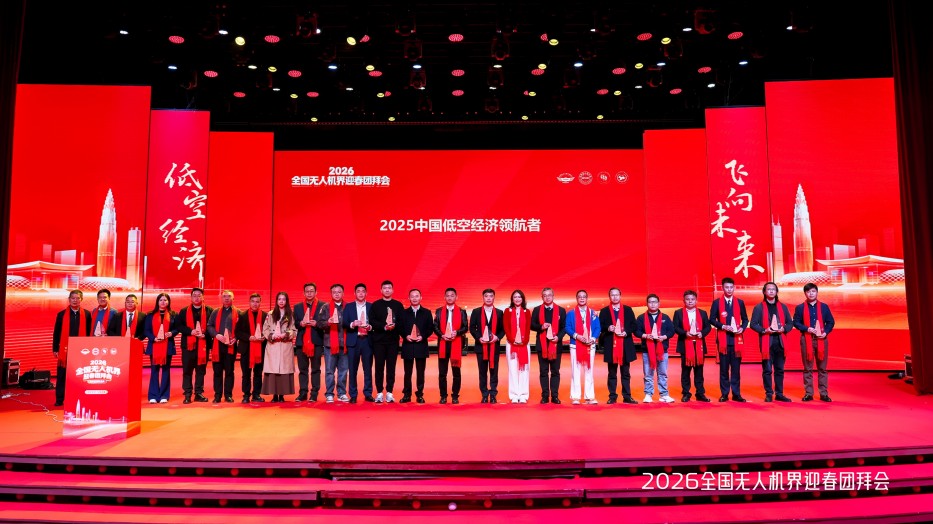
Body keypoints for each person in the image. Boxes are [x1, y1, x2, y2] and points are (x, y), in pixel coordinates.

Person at [750, 282, 794, 403]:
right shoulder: (759, 307)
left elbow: (790, 323)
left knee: (779, 369)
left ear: (776, 292)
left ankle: (779, 393)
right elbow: (753, 324)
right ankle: (769, 393)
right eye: (768, 289)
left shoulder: (783, 307)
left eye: (773, 289)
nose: (771, 291)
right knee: (767, 370)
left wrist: (784, 329)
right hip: (767, 342)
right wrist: (765, 330)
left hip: (780, 342)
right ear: (764, 292)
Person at [793, 283, 836, 402]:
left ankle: (824, 393)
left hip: (822, 339)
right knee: (807, 368)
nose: (811, 294)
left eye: (813, 291)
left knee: (822, 368)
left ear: (817, 292)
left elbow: (831, 322)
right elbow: (796, 322)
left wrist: (825, 332)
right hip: (807, 339)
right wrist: (806, 328)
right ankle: (809, 393)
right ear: (805, 293)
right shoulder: (800, 308)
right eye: (808, 292)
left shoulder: (824, 307)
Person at [709, 277, 749, 402]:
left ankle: (736, 394)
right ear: (722, 288)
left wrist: (742, 328)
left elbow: (745, 319)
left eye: (731, 287)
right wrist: (722, 326)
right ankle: (725, 394)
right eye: (727, 287)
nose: (729, 289)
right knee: (724, 369)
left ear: (734, 288)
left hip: (737, 340)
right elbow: (711, 319)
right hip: (723, 341)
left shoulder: (740, 302)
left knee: (736, 370)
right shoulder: (717, 303)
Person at [51, 290, 92, 407]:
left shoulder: (87, 314)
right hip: (65, 350)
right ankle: (59, 399)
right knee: (62, 375)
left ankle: (78, 398)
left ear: (81, 300)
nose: (75, 300)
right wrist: (55, 348)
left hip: (81, 350)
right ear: (69, 300)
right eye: (73, 298)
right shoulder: (61, 314)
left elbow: (89, 332)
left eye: (77, 298)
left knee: (79, 375)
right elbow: (56, 333)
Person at [598, 287, 638, 405]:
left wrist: (626, 332)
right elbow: (600, 326)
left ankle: (627, 396)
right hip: (611, 345)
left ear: (620, 296)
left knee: (625, 372)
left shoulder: (628, 310)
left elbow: (634, 325)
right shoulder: (604, 311)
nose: (615, 297)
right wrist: (608, 328)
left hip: (625, 344)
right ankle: (612, 396)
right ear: (609, 297)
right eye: (612, 295)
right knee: (612, 373)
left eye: (617, 295)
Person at [634, 294, 676, 403]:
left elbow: (671, 331)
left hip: (662, 350)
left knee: (663, 374)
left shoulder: (665, 317)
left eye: (655, 302)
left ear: (659, 304)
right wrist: (645, 336)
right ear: (647, 304)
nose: (652, 304)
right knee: (648, 374)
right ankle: (648, 394)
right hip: (647, 351)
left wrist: (664, 337)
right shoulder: (641, 318)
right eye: (650, 302)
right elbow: (636, 331)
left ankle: (664, 395)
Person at [175, 288, 214, 404]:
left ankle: (198, 393)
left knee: (201, 370)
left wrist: (204, 334)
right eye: (194, 295)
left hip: (203, 345)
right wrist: (190, 331)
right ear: (191, 297)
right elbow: (179, 326)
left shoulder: (209, 311)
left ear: (203, 297)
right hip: (188, 346)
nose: (197, 298)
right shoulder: (184, 311)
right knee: (187, 370)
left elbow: (213, 326)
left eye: (199, 295)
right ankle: (187, 394)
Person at [673, 290, 713, 402]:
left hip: (699, 344)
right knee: (686, 371)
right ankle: (686, 393)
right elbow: (675, 327)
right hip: (685, 345)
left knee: (699, 371)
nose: (690, 301)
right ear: (684, 301)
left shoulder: (702, 313)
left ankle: (700, 393)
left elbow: (708, 327)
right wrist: (685, 333)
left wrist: (702, 333)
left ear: (696, 300)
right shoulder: (678, 313)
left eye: (692, 299)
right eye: (687, 299)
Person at [370, 280, 405, 403]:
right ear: (381, 290)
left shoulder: (398, 305)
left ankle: (389, 392)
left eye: (389, 288)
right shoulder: (376, 305)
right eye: (385, 288)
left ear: (392, 290)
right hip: (378, 341)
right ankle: (379, 392)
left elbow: (402, 321)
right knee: (379, 367)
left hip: (393, 342)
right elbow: (372, 321)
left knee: (391, 367)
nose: (387, 290)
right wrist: (384, 327)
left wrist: (394, 326)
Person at [564, 289, 600, 405]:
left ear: (587, 298)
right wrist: (577, 336)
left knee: (589, 370)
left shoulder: (593, 313)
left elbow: (597, 328)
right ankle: (575, 397)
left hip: (590, 345)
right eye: (580, 296)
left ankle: (589, 397)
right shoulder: (571, 313)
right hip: (575, 345)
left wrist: (593, 339)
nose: (582, 298)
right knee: (576, 371)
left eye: (584, 296)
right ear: (577, 299)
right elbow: (567, 327)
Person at [433, 287, 468, 404]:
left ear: (456, 297)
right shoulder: (439, 311)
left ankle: (455, 396)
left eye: (452, 295)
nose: (449, 297)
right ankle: (443, 396)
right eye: (447, 295)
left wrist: (456, 333)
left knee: (456, 373)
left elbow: (465, 327)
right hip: (443, 344)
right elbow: (435, 326)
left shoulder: (462, 311)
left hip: (455, 344)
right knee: (442, 373)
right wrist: (442, 335)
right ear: (444, 297)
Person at [469, 288, 505, 404]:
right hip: (481, 347)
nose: (488, 298)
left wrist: (497, 337)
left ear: (494, 297)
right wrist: (479, 337)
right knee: (482, 372)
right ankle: (484, 394)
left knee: (494, 371)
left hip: (494, 347)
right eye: (486, 296)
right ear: (483, 298)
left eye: (491, 296)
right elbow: (472, 328)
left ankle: (493, 394)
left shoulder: (499, 312)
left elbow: (503, 329)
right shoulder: (476, 312)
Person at [531, 288, 565, 404]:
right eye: (545, 295)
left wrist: (558, 337)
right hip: (542, 346)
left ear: (553, 296)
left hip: (556, 345)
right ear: (542, 297)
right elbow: (532, 325)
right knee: (543, 372)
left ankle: (555, 396)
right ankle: (545, 396)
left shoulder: (561, 310)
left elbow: (564, 328)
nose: (547, 297)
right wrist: (541, 326)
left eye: (549, 295)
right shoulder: (537, 310)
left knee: (555, 371)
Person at [398, 288, 434, 403]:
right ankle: (406, 395)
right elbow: (400, 327)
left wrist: (422, 336)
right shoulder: (404, 313)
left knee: (420, 372)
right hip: (408, 345)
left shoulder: (427, 312)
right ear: (409, 298)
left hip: (421, 345)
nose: (414, 298)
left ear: (421, 298)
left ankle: (420, 395)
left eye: (416, 296)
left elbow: (430, 328)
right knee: (407, 373)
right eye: (412, 296)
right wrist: (405, 336)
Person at [317, 284, 350, 403]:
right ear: (331, 294)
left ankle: (341, 393)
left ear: (343, 293)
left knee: (343, 370)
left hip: (344, 344)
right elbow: (319, 324)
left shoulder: (348, 307)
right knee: (329, 371)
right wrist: (328, 322)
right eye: (334, 292)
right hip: (329, 344)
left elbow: (351, 323)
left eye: (339, 292)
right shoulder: (325, 307)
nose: (337, 294)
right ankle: (329, 393)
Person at [262, 292, 297, 402]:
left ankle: (281, 395)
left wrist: (286, 334)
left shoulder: (290, 314)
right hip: (273, 346)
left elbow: (294, 330)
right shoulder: (270, 314)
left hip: (285, 345)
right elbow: (265, 329)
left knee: (283, 370)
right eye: (279, 299)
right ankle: (274, 395)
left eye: (283, 299)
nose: (281, 301)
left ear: (287, 301)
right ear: (276, 301)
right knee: (273, 370)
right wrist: (271, 336)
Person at [143, 293, 177, 404]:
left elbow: (177, 328)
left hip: (168, 346)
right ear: (157, 302)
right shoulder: (150, 315)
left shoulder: (173, 315)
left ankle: (164, 395)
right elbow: (146, 330)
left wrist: (171, 333)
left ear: (168, 302)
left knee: (166, 370)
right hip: (154, 345)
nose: (163, 302)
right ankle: (153, 395)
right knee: (154, 370)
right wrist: (153, 338)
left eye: (165, 300)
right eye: (161, 300)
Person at [343, 283, 374, 403]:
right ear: (354, 293)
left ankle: (368, 393)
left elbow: (375, 323)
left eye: (363, 291)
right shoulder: (349, 306)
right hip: (353, 341)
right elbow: (344, 323)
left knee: (368, 369)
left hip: (367, 341)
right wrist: (352, 324)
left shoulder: (371, 306)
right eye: (358, 291)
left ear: (366, 293)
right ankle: (353, 394)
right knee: (352, 369)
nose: (361, 293)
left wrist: (370, 327)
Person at [207, 290, 239, 403]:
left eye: (229, 296)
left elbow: (241, 329)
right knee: (217, 371)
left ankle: (228, 395)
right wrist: (216, 335)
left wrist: (236, 338)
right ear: (221, 298)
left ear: (233, 298)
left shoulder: (238, 312)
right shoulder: (215, 312)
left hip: (231, 346)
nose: (226, 298)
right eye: (224, 296)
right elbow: (209, 326)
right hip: (217, 345)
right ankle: (217, 395)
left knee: (229, 371)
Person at [293, 282, 323, 402]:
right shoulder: (298, 307)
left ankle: (314, 393)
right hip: (301, 342)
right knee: (303, 369)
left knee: (315, 369)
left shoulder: (322, 306)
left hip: (316, 341)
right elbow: (294, 323)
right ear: (304, 293)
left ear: (316, 292)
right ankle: (303, 392)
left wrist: (317, 324)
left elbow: (325, 323)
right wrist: (300, 323)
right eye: (307, 291)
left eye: (311, 291)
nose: (309, 293)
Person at [236, 293, 267, 403]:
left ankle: (256, 395)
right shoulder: (242, 315)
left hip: (260, 349)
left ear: (260, 303)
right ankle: (246, 395)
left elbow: (268, 331)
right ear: (249, 302)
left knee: (258, 373)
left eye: (257, 301)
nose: (255, 304)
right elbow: (237, 332)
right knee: (246, 374)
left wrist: (264, 337)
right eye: (253, 301)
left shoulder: (265, 316)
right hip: (246, 349)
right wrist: (249, 337)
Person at [503, 289, 532, 403]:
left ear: (523, 299)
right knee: (513, 368)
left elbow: (528, 328)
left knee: (524, 369)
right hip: (511, 344)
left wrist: (524, 342)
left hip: (524, 344)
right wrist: (512, 340)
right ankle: (514, 394)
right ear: (512, 299)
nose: (517, 299)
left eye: (519, 297)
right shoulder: (507, 311)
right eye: (515, 297)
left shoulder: (527, 311)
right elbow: (506, 327)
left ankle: (523, 394)